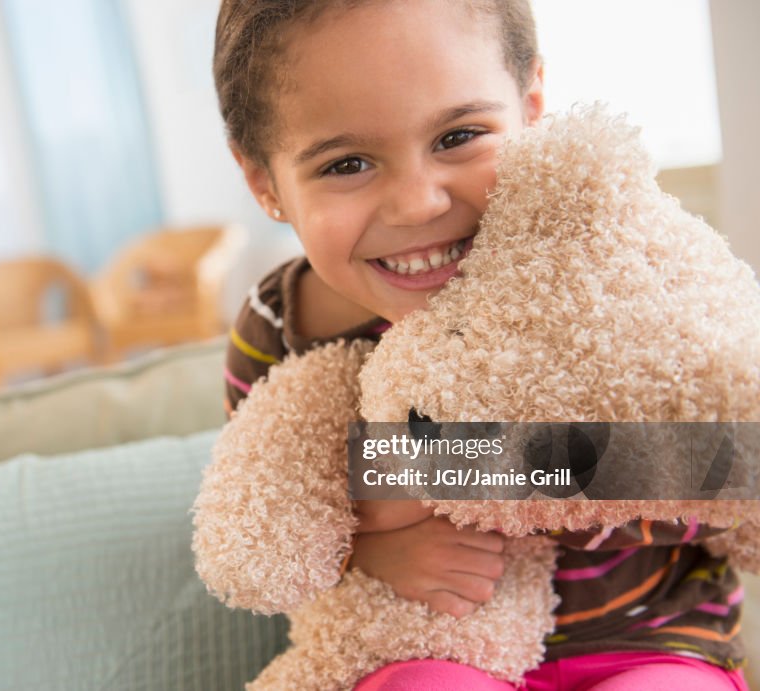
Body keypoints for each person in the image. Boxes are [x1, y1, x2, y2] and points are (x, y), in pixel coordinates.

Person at [213, 0, 748, 689]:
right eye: (347, 163)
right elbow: (267, 529)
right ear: (264, 182)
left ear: (532, 106)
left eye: (457, 135)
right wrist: (368, 553)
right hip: (427, 647)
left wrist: (429, 467)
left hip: (657, 641)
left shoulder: (614, 262)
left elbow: (734, 460)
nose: (418, 204)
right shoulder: (278, 328)